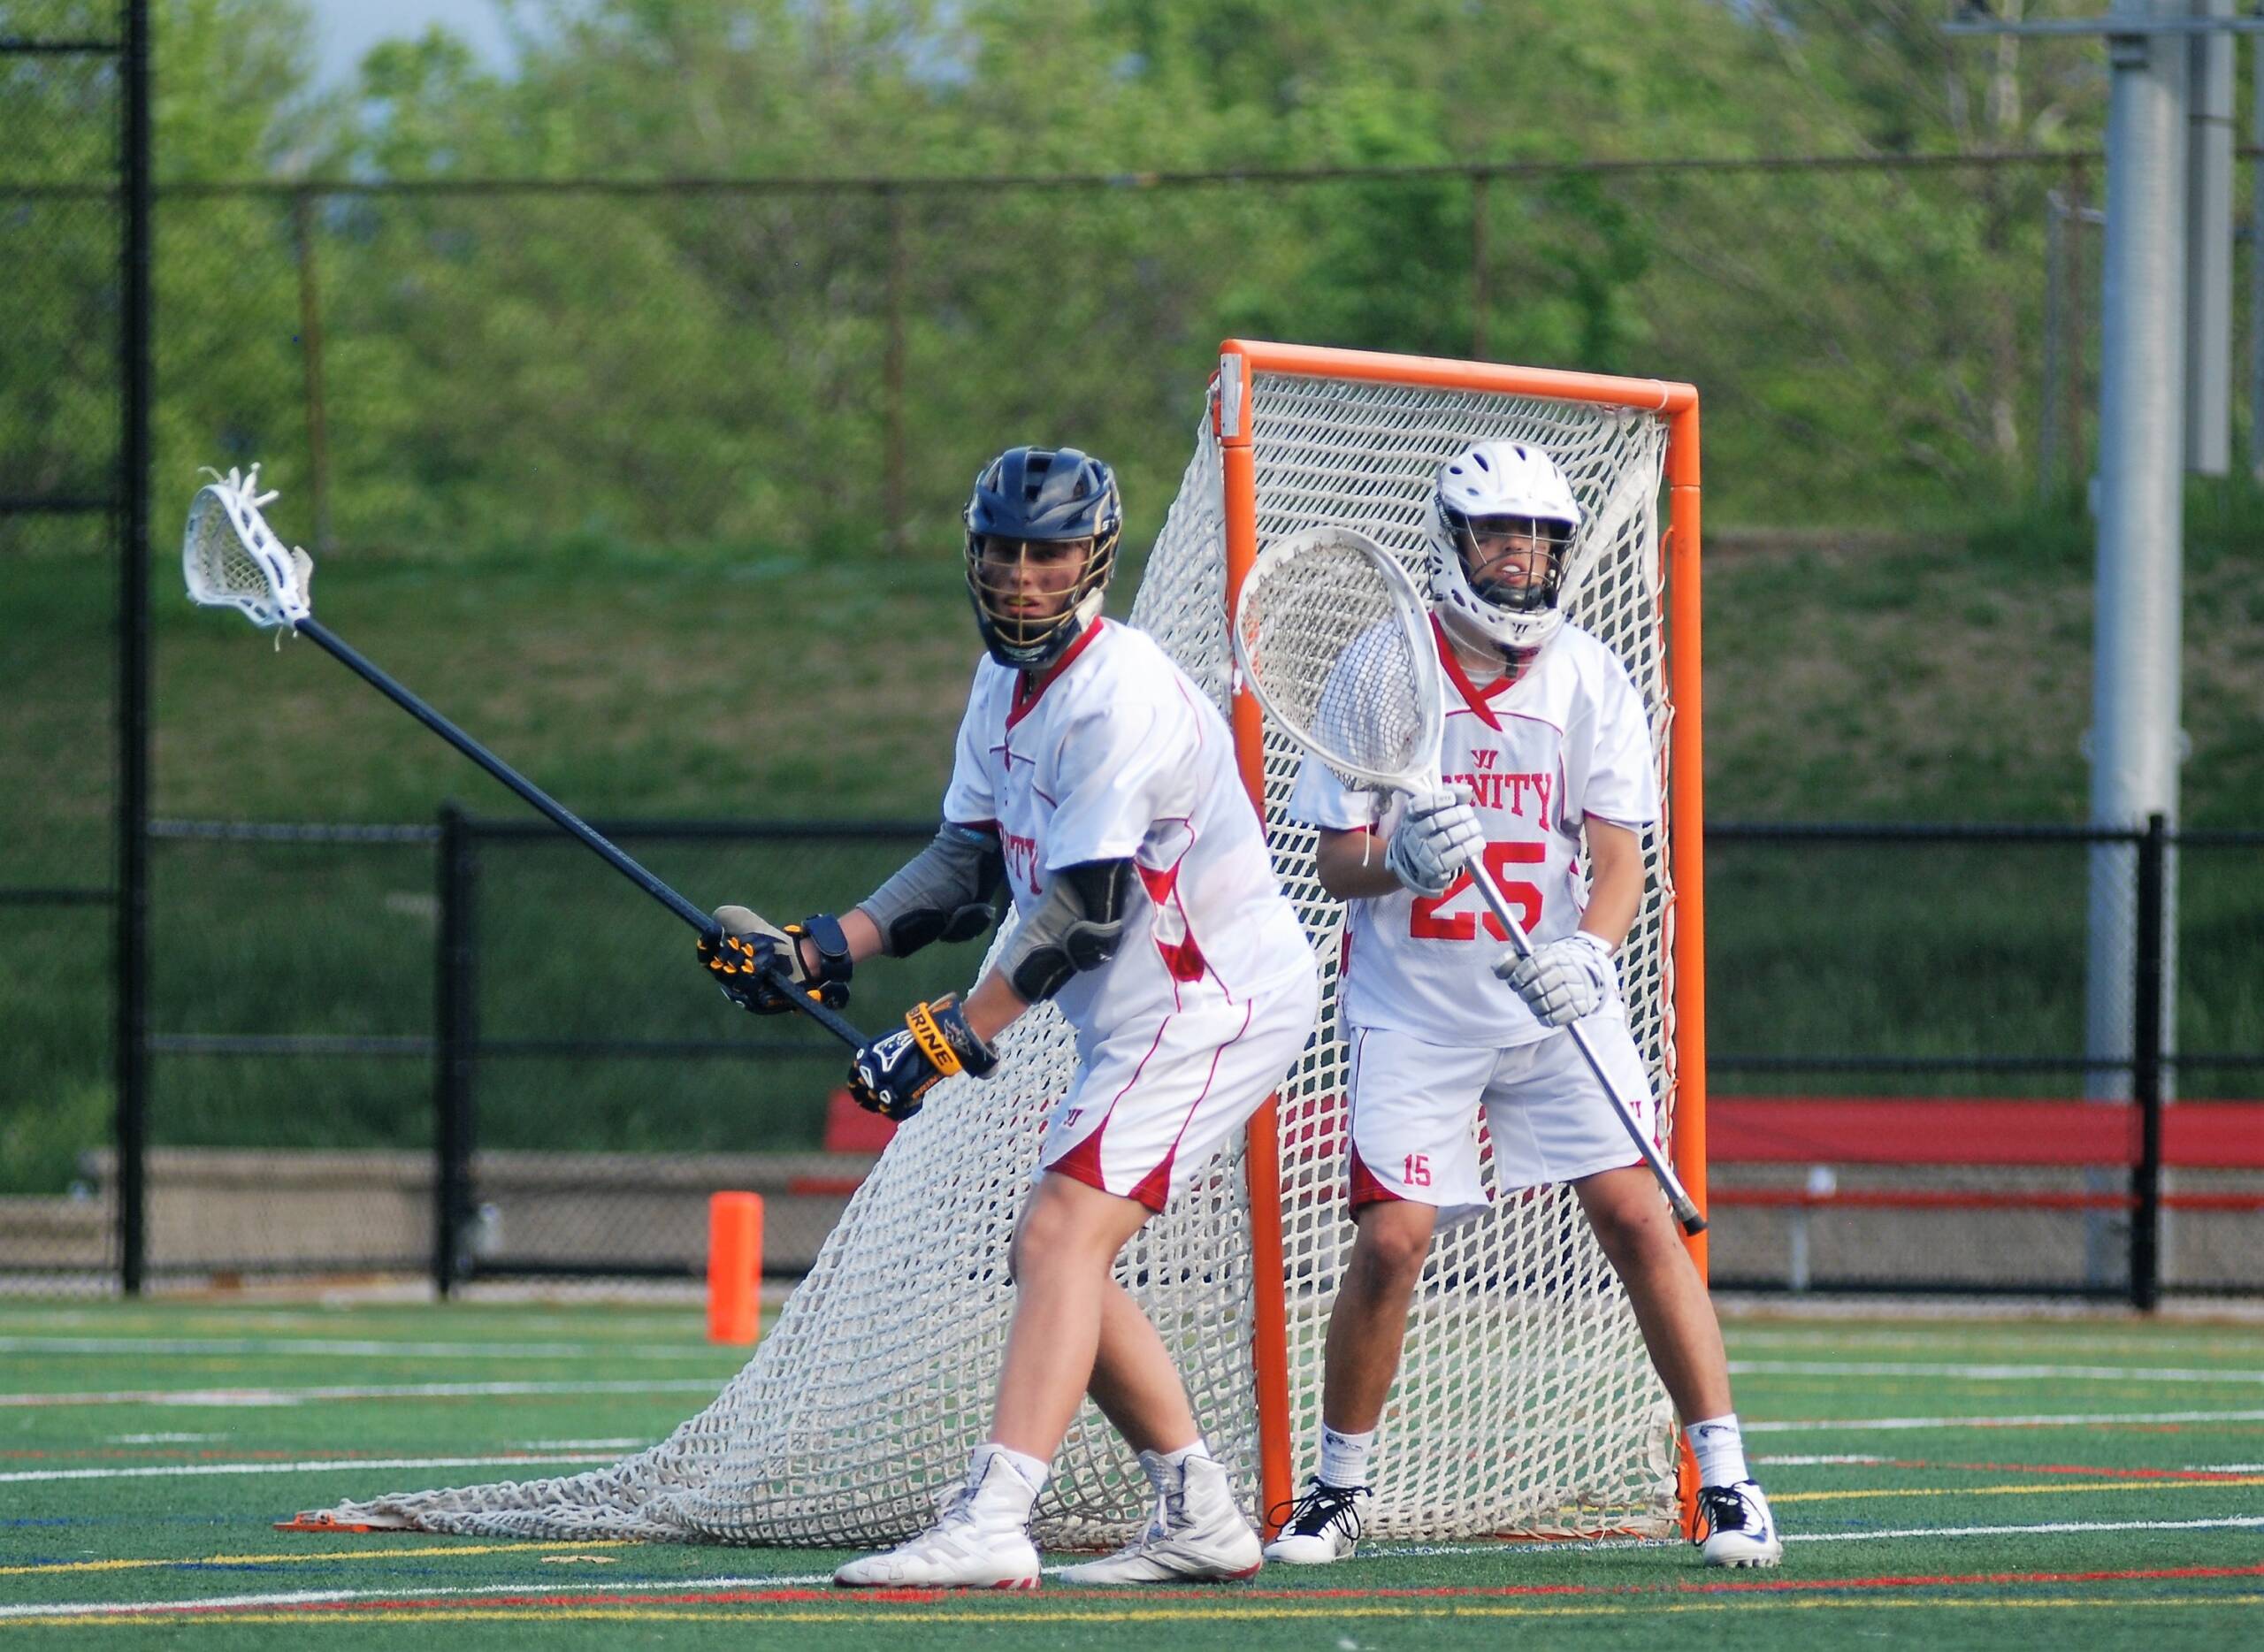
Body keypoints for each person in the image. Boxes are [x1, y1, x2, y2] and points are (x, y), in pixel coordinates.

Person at [700, 445, 1320, 1589]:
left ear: (1094, 560)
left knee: (1055, 1235)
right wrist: (824, 945)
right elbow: (968, 862)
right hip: (1139, 1011)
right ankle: (1199, 1514)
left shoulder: (1116, 694)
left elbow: (1083, 911)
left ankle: (994, 1518)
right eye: (1003, 551)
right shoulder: (1003, 687)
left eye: (1049, 553)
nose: (1023, 575)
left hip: (1207, 998)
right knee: (1060, 1254)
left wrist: (950, 1035)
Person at [1263, 440, 1781, 1571]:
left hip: (1554, 999)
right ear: (1452, 542)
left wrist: (1589, 959)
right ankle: (1336, 1491)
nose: (1521, 557)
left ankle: (1728, 1478)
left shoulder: (1589, 675)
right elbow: (1336, 860)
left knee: (1641, 1218)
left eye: (1540, 538)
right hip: (1415, 1007)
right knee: (1393, 1240)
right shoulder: (1381, 671)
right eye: (1499, 533)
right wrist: (1397, 855)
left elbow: (1618, 863)